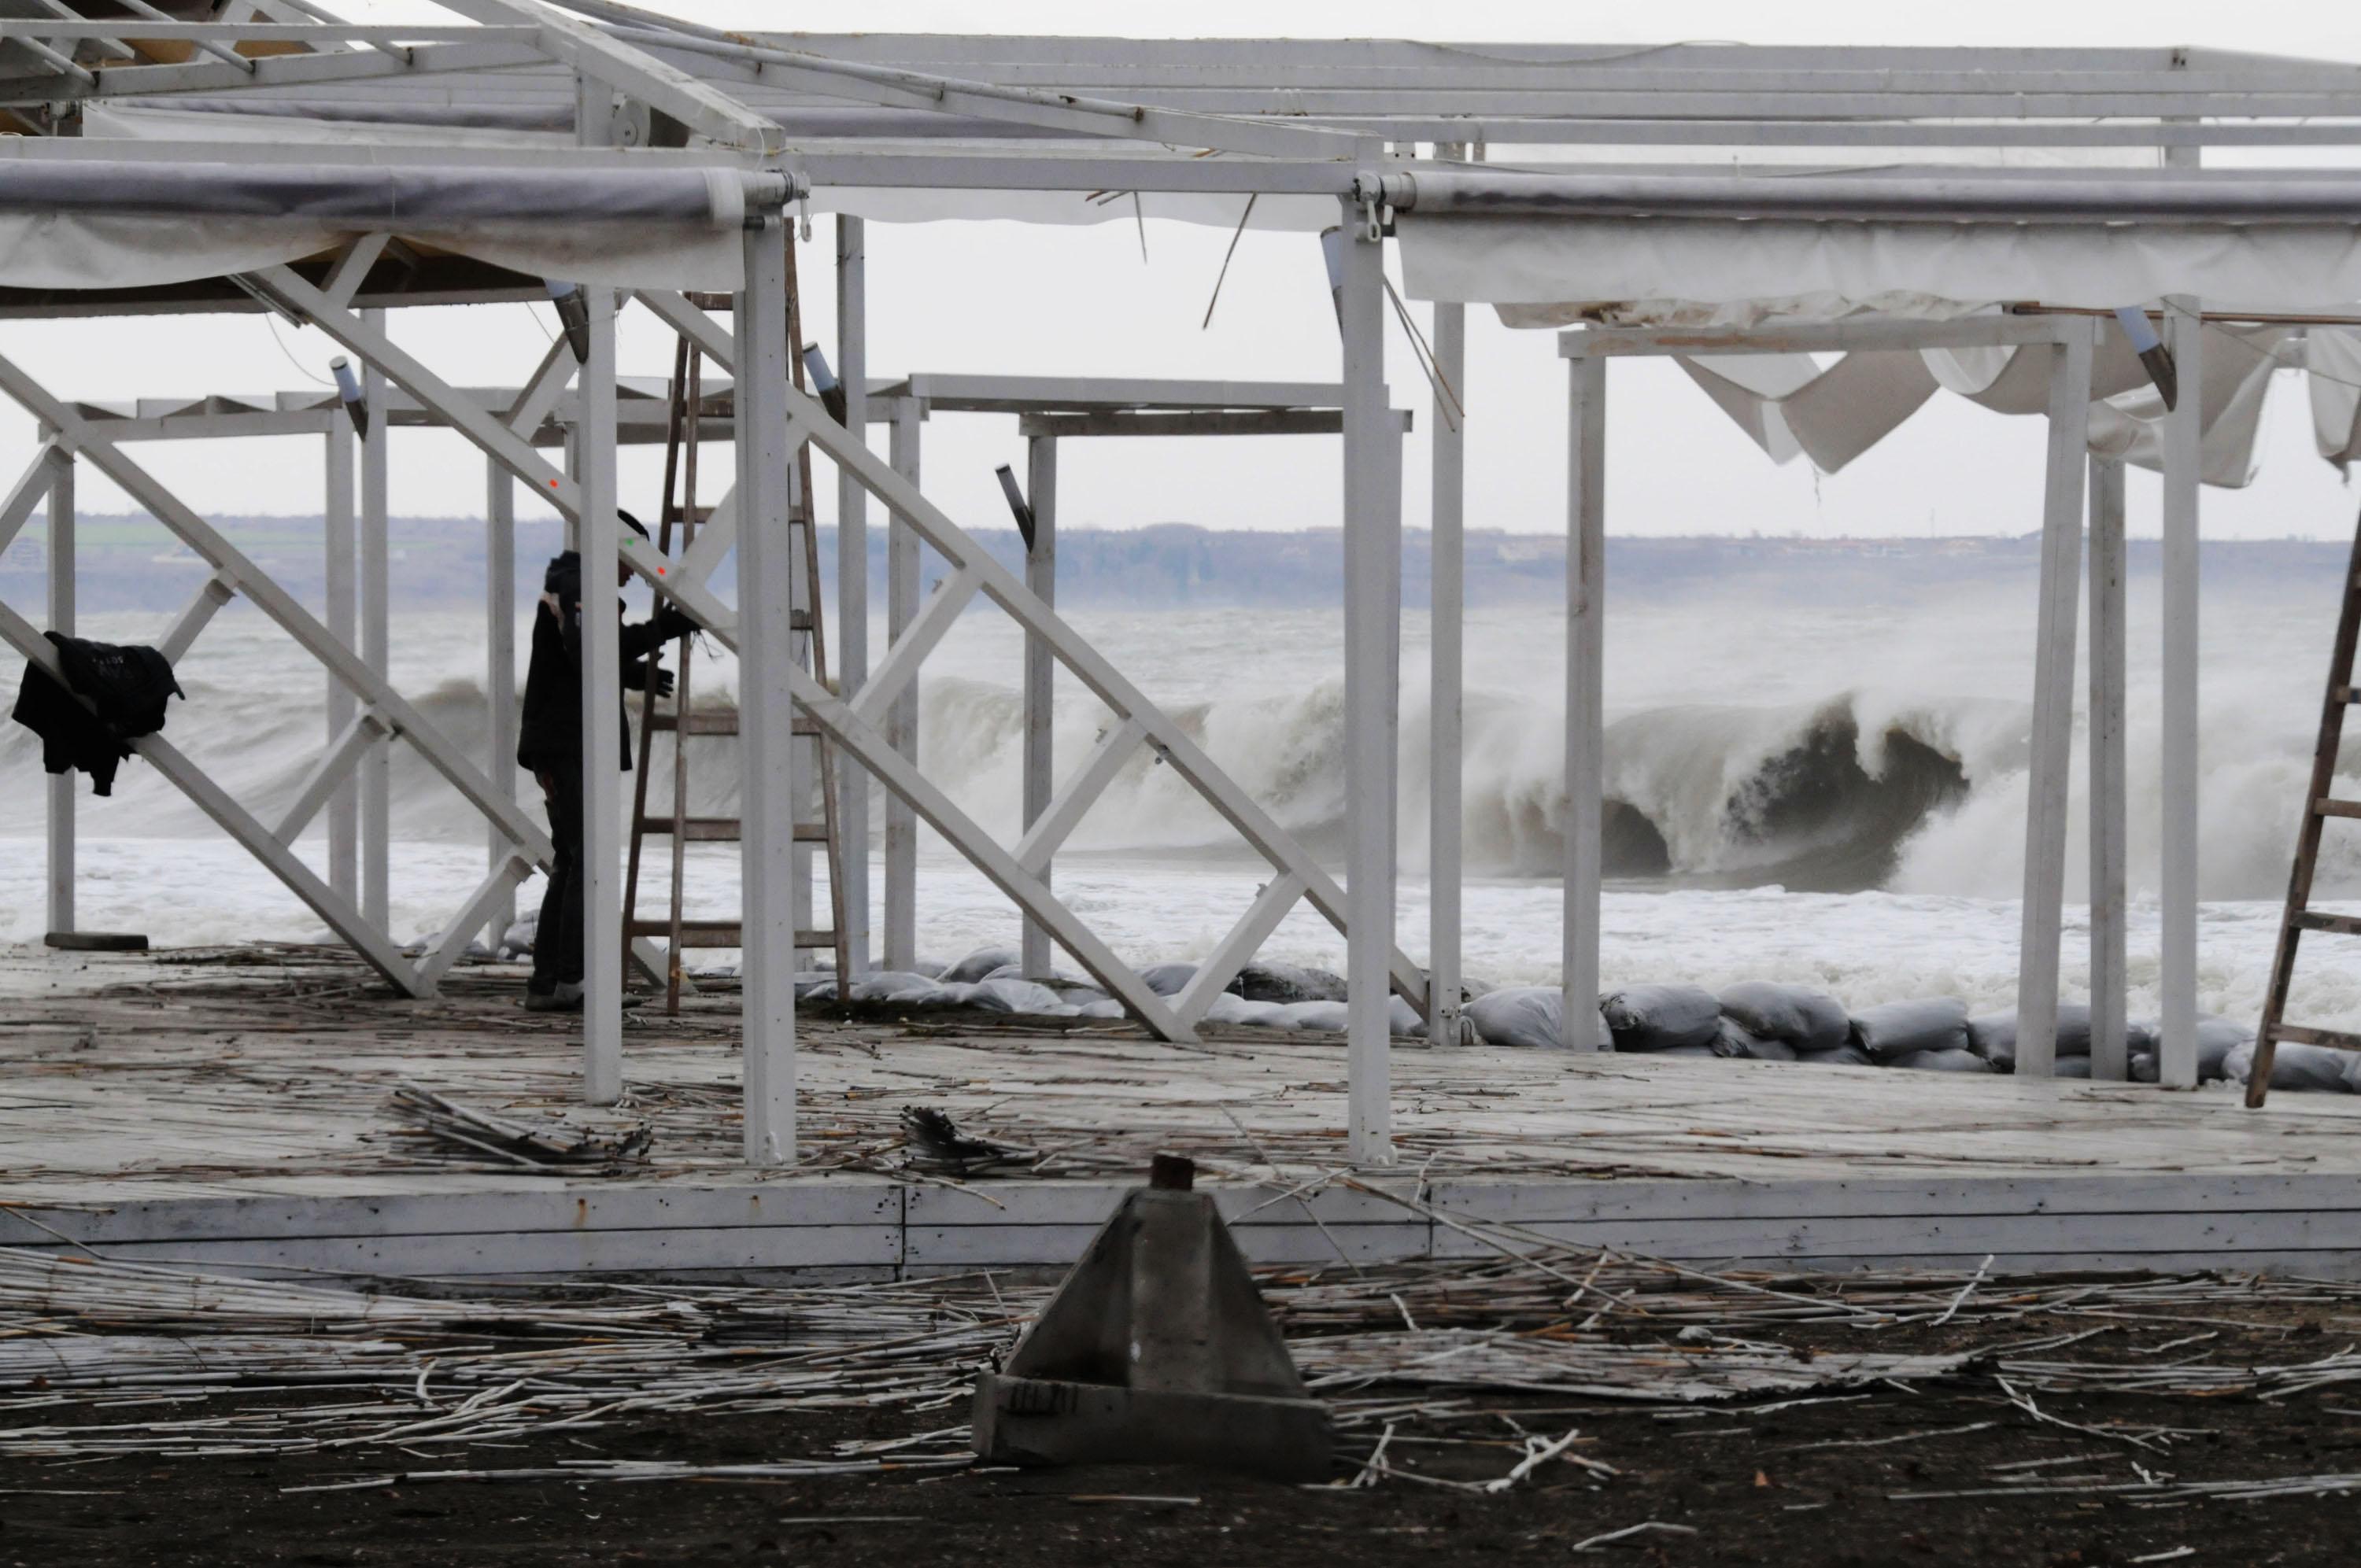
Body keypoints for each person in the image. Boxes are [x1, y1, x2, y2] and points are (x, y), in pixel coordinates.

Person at [516, 511, 696, 1012]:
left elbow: (580, 657)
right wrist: (664, 630)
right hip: (567, 743)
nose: (636, 572)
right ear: (613, 548)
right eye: (634, 557)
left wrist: (632, 673)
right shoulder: (577, 585)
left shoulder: (570, 585)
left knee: (572, 860)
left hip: (561, 741)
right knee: (586, 860)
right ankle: (572, 979)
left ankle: (549, 984)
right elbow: (593, 647)